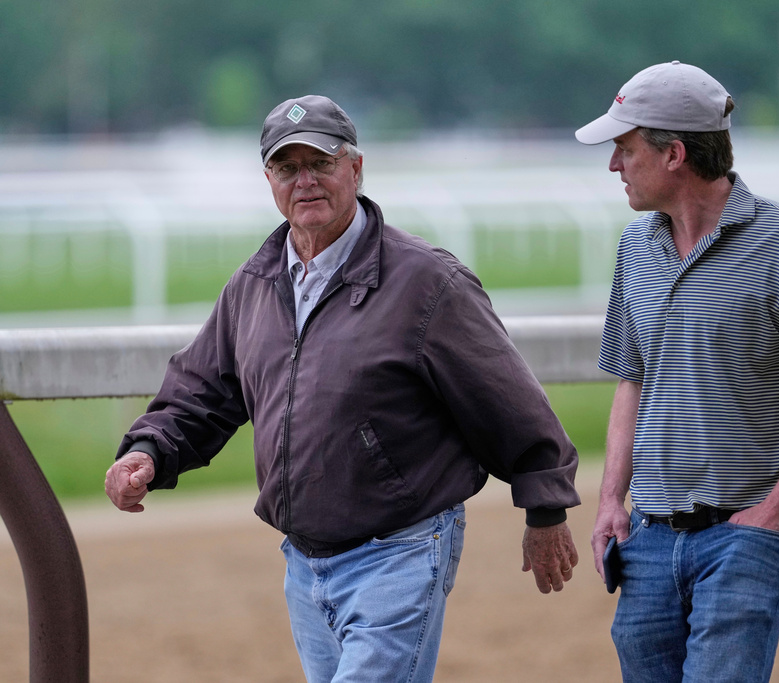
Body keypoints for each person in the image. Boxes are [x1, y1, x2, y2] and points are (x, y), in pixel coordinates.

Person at [105, 94, 581, 683]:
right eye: (287, 168)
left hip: (401, 551)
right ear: (269, 180)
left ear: (355, 168)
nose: (304, 181)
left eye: (320, 163)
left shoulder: (427, 282)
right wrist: (148, 449)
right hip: (303, 561)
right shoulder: (252, 285)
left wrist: (546, 509)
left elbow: (508, 400)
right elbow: (202, 391)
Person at [575, 62, 779, 682]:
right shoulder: (634, 248)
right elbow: (631, 380)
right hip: (648, 541)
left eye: (625, 150)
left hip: (749, 535)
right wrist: (609, 503)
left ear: (674, 153)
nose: (613, 165)